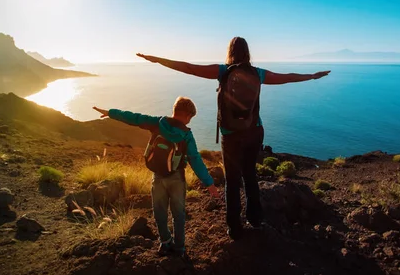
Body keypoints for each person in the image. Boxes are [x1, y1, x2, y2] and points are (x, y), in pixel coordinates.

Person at [137, 37, 330, 240]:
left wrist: (157, 59)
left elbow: (189, 68)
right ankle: (255, 219)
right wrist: (311, 76)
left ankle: (234, 228)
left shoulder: (223, 72)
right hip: (254, 131)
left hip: (230, 135)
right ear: (248, 52)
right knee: (250, 176)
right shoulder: (258, 74)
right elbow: (287, 77)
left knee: (232, 180)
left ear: (230, 51)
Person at [92, 97, 220, 256]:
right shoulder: (186, 135)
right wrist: (209, 183)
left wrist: (111, 113)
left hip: (158, 177)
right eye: (190, 119)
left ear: (174, 109)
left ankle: (165, 242)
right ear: (187, 116)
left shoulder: (157, 123)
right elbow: (195, 159)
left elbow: (134, 117)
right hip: (177, 178)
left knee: (159, 212)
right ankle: (179, 248)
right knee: (178, 214)